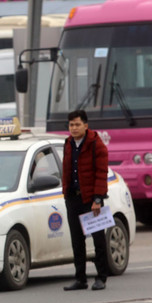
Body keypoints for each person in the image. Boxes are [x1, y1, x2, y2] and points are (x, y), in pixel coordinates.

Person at [61, 109, 111, 291]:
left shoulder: (96, 144)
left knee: (98, 239)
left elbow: (101, 173)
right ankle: (80, 278)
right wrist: (66, 193)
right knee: (77, 240)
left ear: (85, 125)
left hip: (91, 200)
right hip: (73, 199)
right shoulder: (68, 144)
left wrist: (98, 198)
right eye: (71, 125)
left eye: (77, 124)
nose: (73, 128)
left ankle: (101, 277)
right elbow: (66, 171)